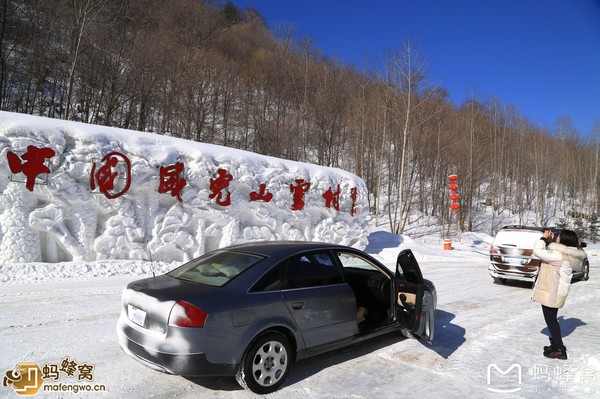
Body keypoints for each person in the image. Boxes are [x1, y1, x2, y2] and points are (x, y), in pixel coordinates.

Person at [531, 229, 586, 360]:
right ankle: (555, 344)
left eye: (559, 236)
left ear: (564, 240)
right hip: (555, 291)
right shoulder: (565, 254)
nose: (556, 236)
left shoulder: (559, 255)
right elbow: (549, 254)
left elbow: (538, 252)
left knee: (550, 320)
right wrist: (549, 242)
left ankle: (559, 349)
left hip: (552, 292)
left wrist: (543, 239)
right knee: (552, 319)